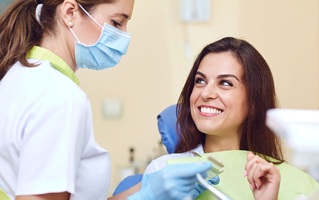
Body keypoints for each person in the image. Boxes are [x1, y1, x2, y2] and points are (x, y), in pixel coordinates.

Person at [0, 0, 215, 200]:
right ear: (70, 12)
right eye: (116, 22)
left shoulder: (19, 76)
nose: (124, 37)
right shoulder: (61, 97)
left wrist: (147, 187)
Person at [144, 37, 319, 199]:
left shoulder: (301, 185)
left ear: (253, 102)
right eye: (200, 81)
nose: (205, 93)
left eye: (225, 83)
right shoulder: (164, 172)